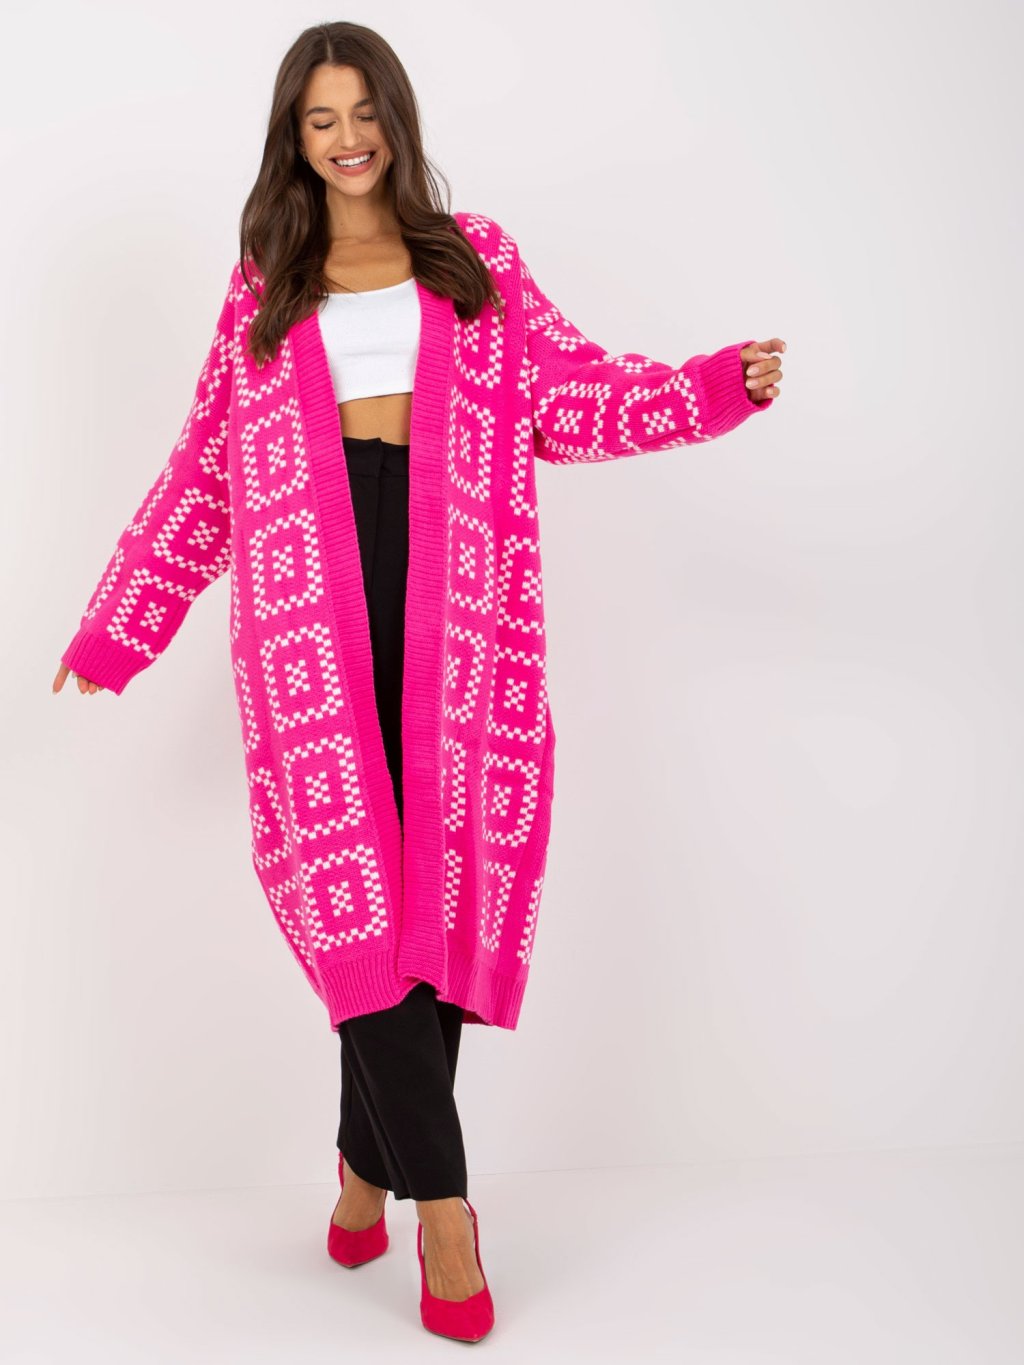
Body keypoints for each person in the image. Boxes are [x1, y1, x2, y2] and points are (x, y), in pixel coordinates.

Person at [53, 21, 784, 1343]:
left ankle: (363, 1167)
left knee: (437, 887)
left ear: (396, 117)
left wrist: (712, 388)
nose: (347, 139)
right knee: (358, 896)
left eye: (363, 112)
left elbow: (572, 398)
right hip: (309, 617)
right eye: (319, 120)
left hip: (465, 604)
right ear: (294, 139)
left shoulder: (473, 258)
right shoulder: (267, 281)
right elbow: (205, 470)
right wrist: (117, 632)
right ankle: (445, 1208)